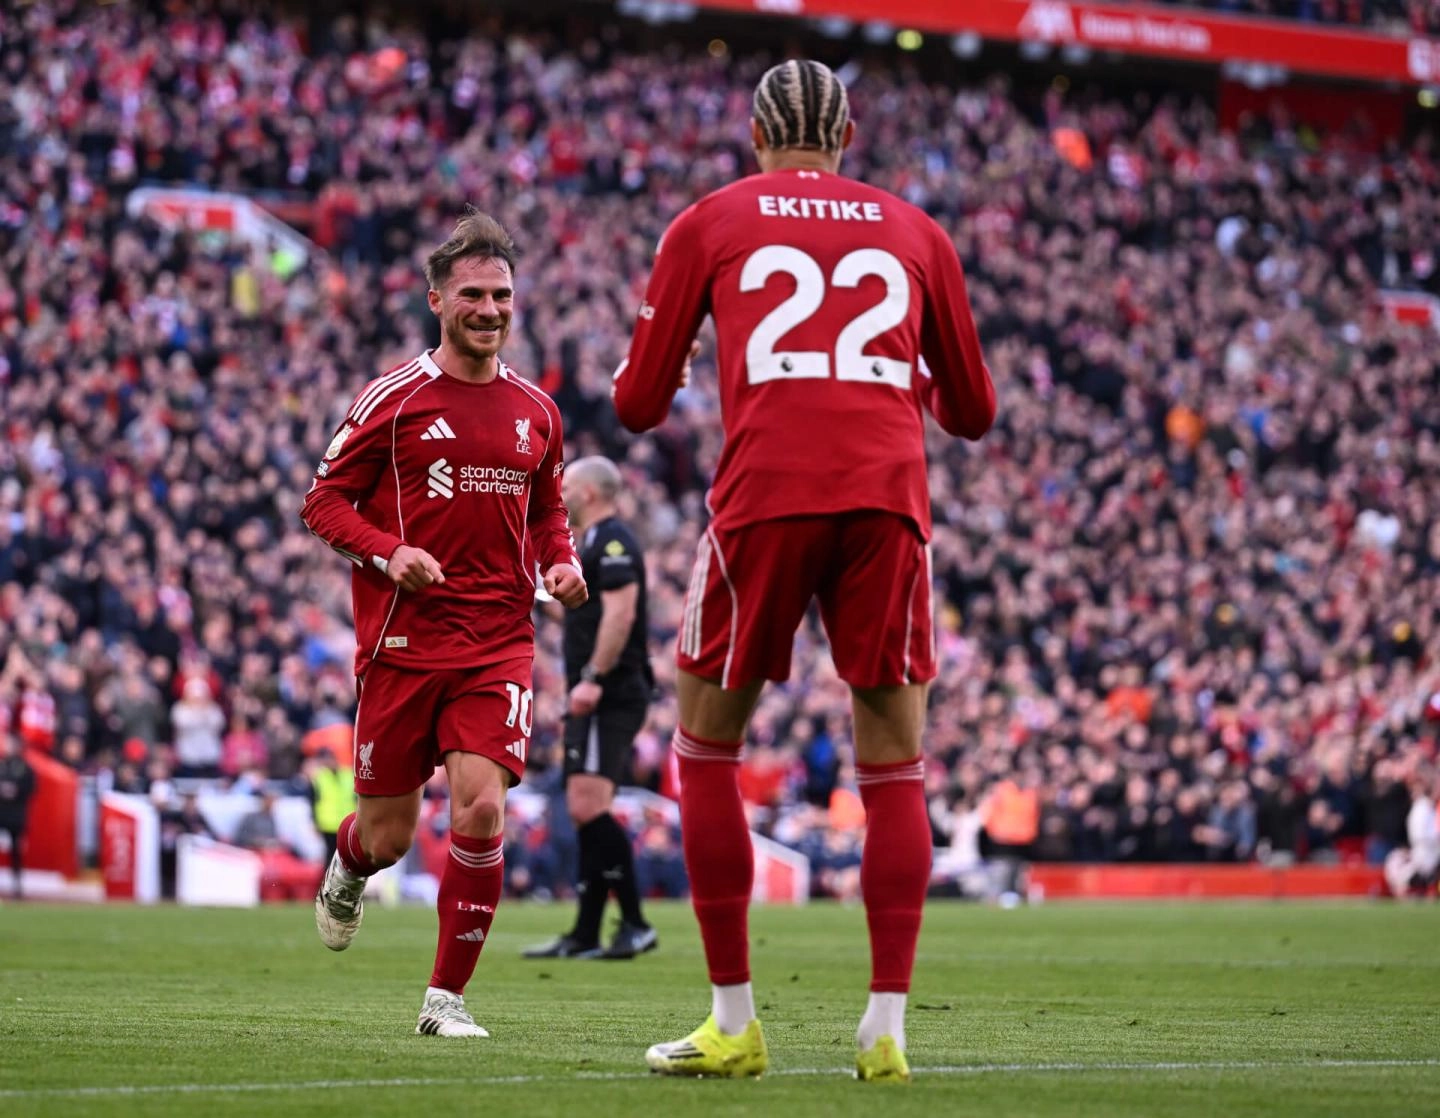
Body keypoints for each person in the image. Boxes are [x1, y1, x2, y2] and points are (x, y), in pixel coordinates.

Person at [612, 59, 995, 1082]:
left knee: (705, 750)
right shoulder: (917, 232)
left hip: (766, 494)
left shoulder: (710, 220)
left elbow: (639, 405)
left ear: (755, 135)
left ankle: (734, 1022)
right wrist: (905, 375)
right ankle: (885, 1030)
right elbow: (973, 411)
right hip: (886, 497)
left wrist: (657, 363)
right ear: (847, 136)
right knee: (894, 766)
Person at [299, 208, 587, 1038]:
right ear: (436, 300)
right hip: (403, 642)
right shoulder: (394, 399)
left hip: (499, 640)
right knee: (387, 835)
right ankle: (350, 862)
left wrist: (561, 561)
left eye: (501, 295)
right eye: (473, 295)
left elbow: (547, 510)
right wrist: (389, 552)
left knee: (482, 810)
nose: (489, 309)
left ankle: (444, 1001)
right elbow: (322, 502)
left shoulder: (538, 410)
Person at [523, 456, 658, 961]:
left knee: (587, 807)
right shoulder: (591, 544)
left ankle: (636, 923)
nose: (560, 497)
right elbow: (595, 614)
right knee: (585, 812)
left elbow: (620, 614)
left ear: (590, 493)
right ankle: (585, 931)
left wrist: (594, 679)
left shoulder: (613, 540)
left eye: (566, 489)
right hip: (595, 690)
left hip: (610, 691)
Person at [305, 747, 356, 867]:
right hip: (327, 824)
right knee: (330, 856)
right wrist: (314, 822)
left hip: (346, 823)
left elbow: (355, 798)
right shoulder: (318, 778)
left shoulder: (348, 775)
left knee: (346, 857)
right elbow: (313, 801)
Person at [0, 733, 37, 897]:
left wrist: (15, 791)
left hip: (16, 815)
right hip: (1, 812)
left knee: (16, 850)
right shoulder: (2, 764)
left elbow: (31, 788)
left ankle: (17, 884)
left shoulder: (25, 768)